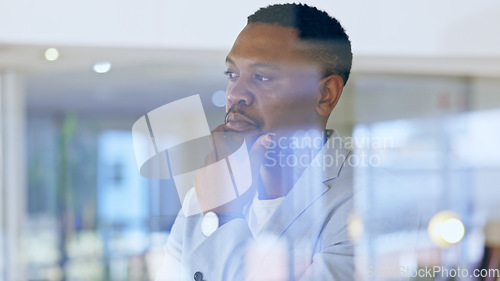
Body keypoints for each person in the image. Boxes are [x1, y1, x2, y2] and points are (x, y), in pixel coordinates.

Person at [155, 3, 354, 281]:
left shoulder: (364, 204)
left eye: (262, 77)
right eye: (232, 75)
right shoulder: (201, 196)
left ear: (324, 95)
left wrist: (224, 218)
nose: (236, 94)